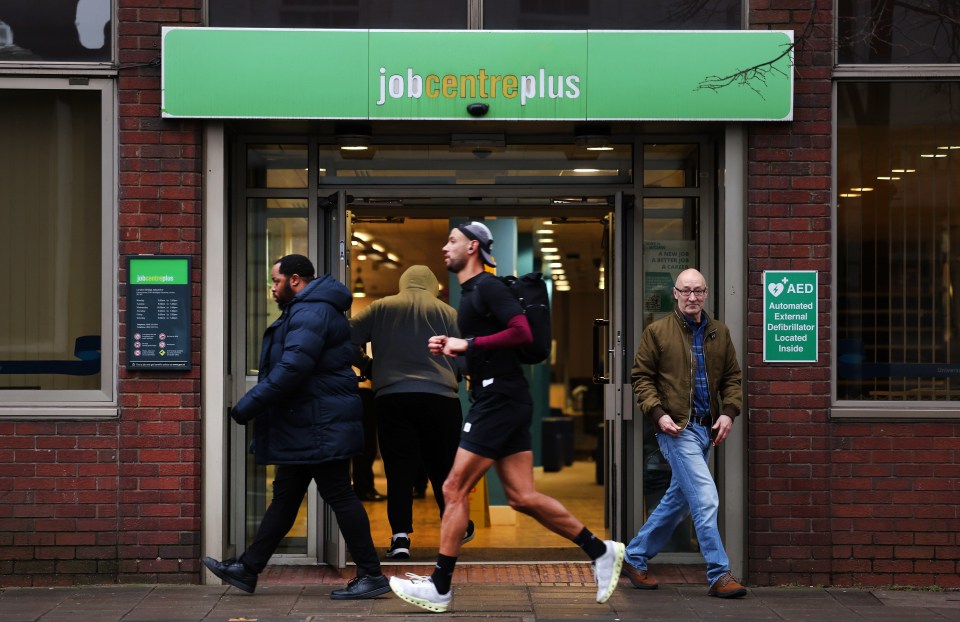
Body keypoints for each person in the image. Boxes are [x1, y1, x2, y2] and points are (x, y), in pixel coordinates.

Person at [389, 223, 625, 613]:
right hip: (503, 396)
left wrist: (469, 342)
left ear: (473, 246)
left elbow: (521, 332)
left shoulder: (489, 287)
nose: (444, 246)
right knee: (521, 496)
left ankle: (440, 585)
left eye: (452, 240)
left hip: (499, 399)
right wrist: (454, 351)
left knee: (453, 488)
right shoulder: (469, 293)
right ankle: (600, 550)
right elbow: (487, 348)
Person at [201, 254, 389, 600]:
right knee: (287, 497)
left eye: (276, 281)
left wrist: (247, 406)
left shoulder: (310, 312)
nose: (273, 288)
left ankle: (371, 574)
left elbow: (292, 368)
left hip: (318, 422)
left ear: (296, 280)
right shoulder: (310, 310)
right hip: (309, 421)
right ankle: (248, 568)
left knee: (338, 494)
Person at [621, 268, 747, 599]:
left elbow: (733, 377)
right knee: (705, 498)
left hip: (706, 428)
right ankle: (719, 573)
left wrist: (729, 413)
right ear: (675, 294)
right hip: (677, 430)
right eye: (686, 291)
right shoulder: (657, 332)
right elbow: (641, 377)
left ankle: (634, 557)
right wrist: (657, 413)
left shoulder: (719, 332)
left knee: (678, 502)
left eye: (699, 291)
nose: (693, 297)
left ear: (706, 294)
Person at [349, 265, 469, 560]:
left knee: (398, 470)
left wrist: (368, 366)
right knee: (443, 468)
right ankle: (455, 531)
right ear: (432, 286)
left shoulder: (380, 308)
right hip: (440, 400)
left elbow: (344, 338)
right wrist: (458, 375)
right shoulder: (449, 313)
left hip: (392, 399)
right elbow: (466, 354)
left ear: (403, 283)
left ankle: (400, 538)